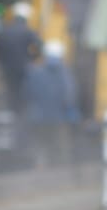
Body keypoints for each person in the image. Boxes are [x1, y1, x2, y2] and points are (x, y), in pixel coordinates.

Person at [22, 39, 80, 168]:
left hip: (38, 116)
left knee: (41, 144)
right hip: (59, 117)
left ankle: (40, 168)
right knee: (60, 145)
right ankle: (61, 171)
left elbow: (28, 93)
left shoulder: (35, 72)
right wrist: (70, 110)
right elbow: (68, 96)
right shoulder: (64, 74)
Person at [0, 1, 41, 118]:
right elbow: (38, 46)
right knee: (22, 94)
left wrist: (0, 60)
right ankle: (20, 115)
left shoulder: (4, 31)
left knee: (10, 91)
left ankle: (10, 111)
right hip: (23, 69)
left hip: (6, 68)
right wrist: (32, 58)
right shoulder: (28, 31)